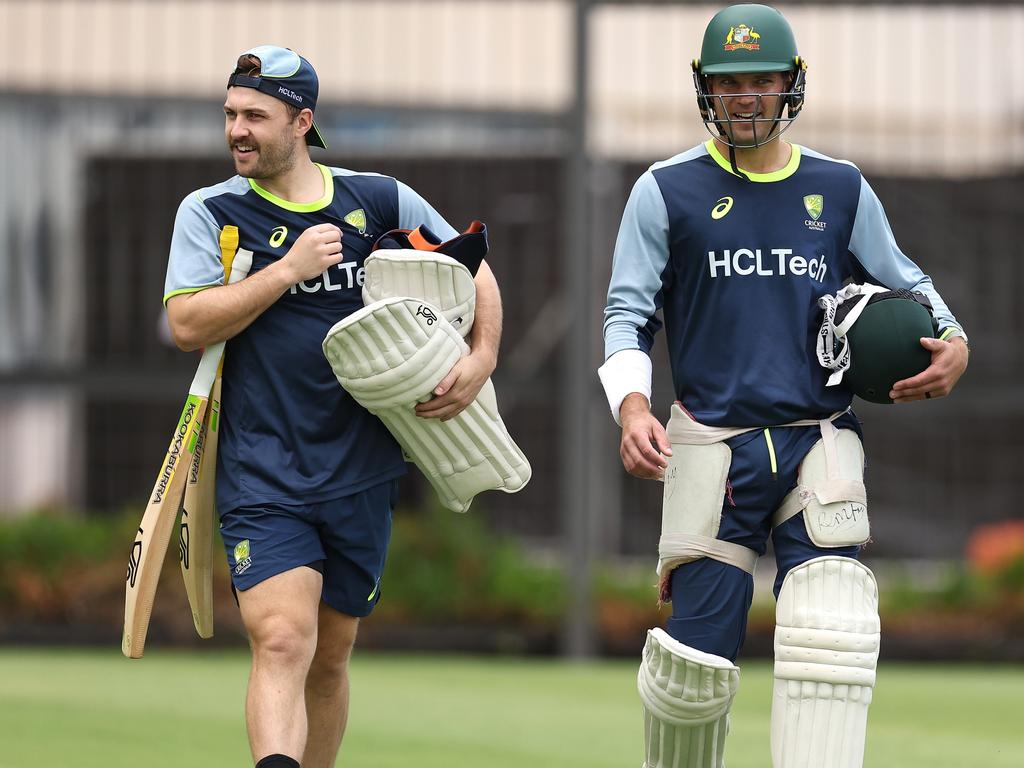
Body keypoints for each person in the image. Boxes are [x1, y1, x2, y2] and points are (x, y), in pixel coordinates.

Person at [598, 5, 969, 768]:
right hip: (710, 446)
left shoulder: (839, 188)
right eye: (729, 83)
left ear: (790, 86)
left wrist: (954, 341)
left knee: (832, 628)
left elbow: (911, 282)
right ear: (705, 89)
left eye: (761, 80)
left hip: (818, 438)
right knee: (692, 675)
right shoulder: (665, 190)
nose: (745, 97)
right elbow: (627, 313)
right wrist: (632, 407)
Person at [163, 46, 502, 768]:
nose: (237, 130)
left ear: (302, 121)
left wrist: (482, 358)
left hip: (362, 467)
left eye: (255, 115)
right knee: (283, 639)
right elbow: (187, 324)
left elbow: (475, 271)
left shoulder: (378, 200)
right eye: (230, 114)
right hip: (263, 470)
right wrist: (286, 271)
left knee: (331, 654)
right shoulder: (213, 212)